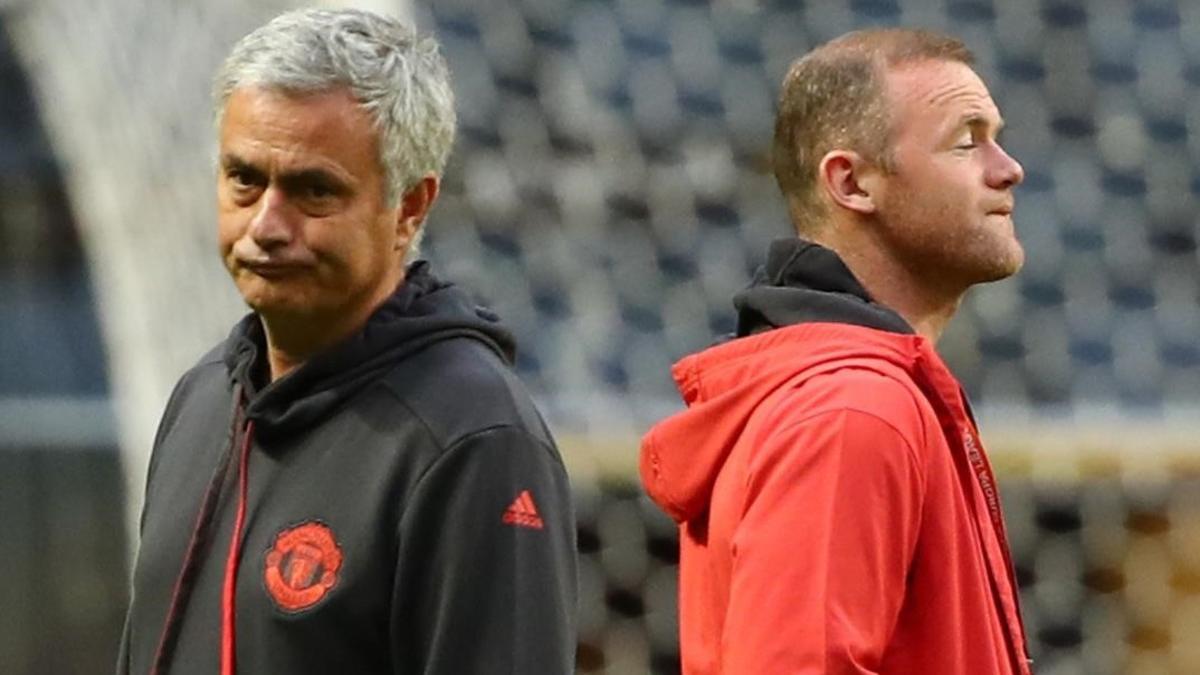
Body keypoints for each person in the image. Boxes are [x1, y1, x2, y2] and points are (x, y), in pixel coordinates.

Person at [116, 9, 577, 674]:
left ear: (411, 206)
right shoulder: (201, 398)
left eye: (313, 190)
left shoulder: (474, 438)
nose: (267, 224)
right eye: (245, 178)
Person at [640, 28, 1032, 674]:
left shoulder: (854, 393)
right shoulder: (852, 411)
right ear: (851, 183)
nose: (1007, 167)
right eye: (967, 141)